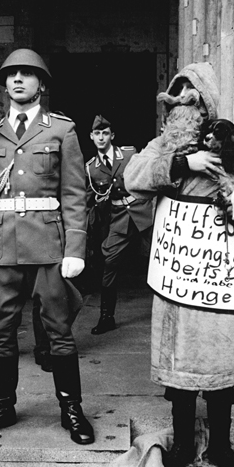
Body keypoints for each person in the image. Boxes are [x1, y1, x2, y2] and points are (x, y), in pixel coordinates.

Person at [123, 62, 234, 467]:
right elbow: (132, 175)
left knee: (220, 360)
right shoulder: (164, 145)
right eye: (176, 95)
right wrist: (185, 164)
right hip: (179, 273)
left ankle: (220, 445)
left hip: (218, 274)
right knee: (178, 361)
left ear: (207, 102)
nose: (183, 103)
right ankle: (183, 444)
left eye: (192, 96)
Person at [0, 48, 94, 445]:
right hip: (3, 243)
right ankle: (1, 405)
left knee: (59, 332)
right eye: (11, 74)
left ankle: (71, 408)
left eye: (27, 73)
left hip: (49, 245)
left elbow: (74, 194)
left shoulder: (61, 130)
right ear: (3, 85)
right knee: (1, 330)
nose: (18, 79)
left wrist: (75, 249)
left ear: (41, 84)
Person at [86, 115, 154, 334]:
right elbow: (86, 198)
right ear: (91, 137)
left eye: (105, 133)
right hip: (118, 219)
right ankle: (107, 317)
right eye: (97, 134)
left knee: (161, 256)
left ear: (112, 136)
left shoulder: (129, 153)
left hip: (143, 213)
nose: (101, 137)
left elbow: (147, 176)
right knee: (110, 262)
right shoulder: (91, 168)